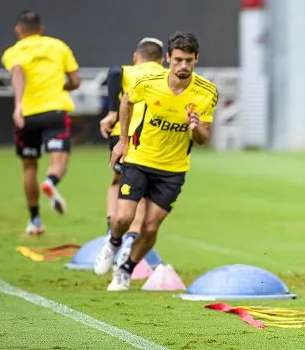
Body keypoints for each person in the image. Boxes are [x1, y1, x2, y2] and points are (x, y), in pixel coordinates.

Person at [94, 32, 218, 291]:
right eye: (179, 60)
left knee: (149, 228)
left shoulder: (207, 92)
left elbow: (203, 138)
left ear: (196, 60)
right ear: (168, 59)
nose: (183, 66)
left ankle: (126, 270)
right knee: (123, 218)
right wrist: (123, 141)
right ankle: (114, 241)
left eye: (189, 61)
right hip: (140, 158)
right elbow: (127, 100)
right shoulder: (148, 82)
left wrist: (194, 127)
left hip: (173, 169)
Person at [1, 10, 81, 236]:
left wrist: (18, 105)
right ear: (41, 29)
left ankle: (35, 220)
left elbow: (17, 71)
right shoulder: (58, 46)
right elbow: (75, 80)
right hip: (54, 110)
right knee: (59, 160)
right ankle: (51, 181)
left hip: (27, 115)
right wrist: (61, 87)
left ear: (18, 30)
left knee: (28, 166)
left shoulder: (13, 52)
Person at [98, 37, 165, 266]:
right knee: (143, 188)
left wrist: (110, 112)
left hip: (122, 135)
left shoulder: (127, 71)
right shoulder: (165, 76)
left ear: (137, 56)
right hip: (149, 136)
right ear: (163, 59)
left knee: (118, 180)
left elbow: (114, 72)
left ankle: (112, 226)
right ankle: (130, 238)